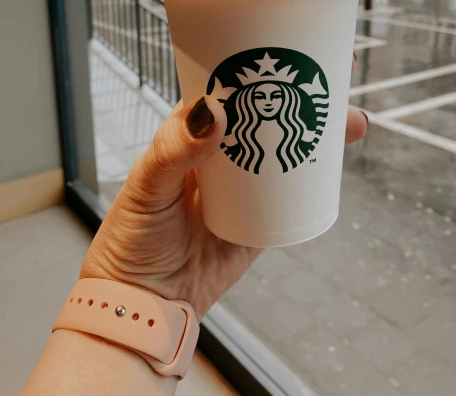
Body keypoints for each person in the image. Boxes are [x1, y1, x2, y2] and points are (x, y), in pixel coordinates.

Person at [22, 74, 368, 394]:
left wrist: (136, 286)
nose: (268, 101)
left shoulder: (291, 134)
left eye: (276, 94)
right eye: (259, 93)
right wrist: (139, 285)